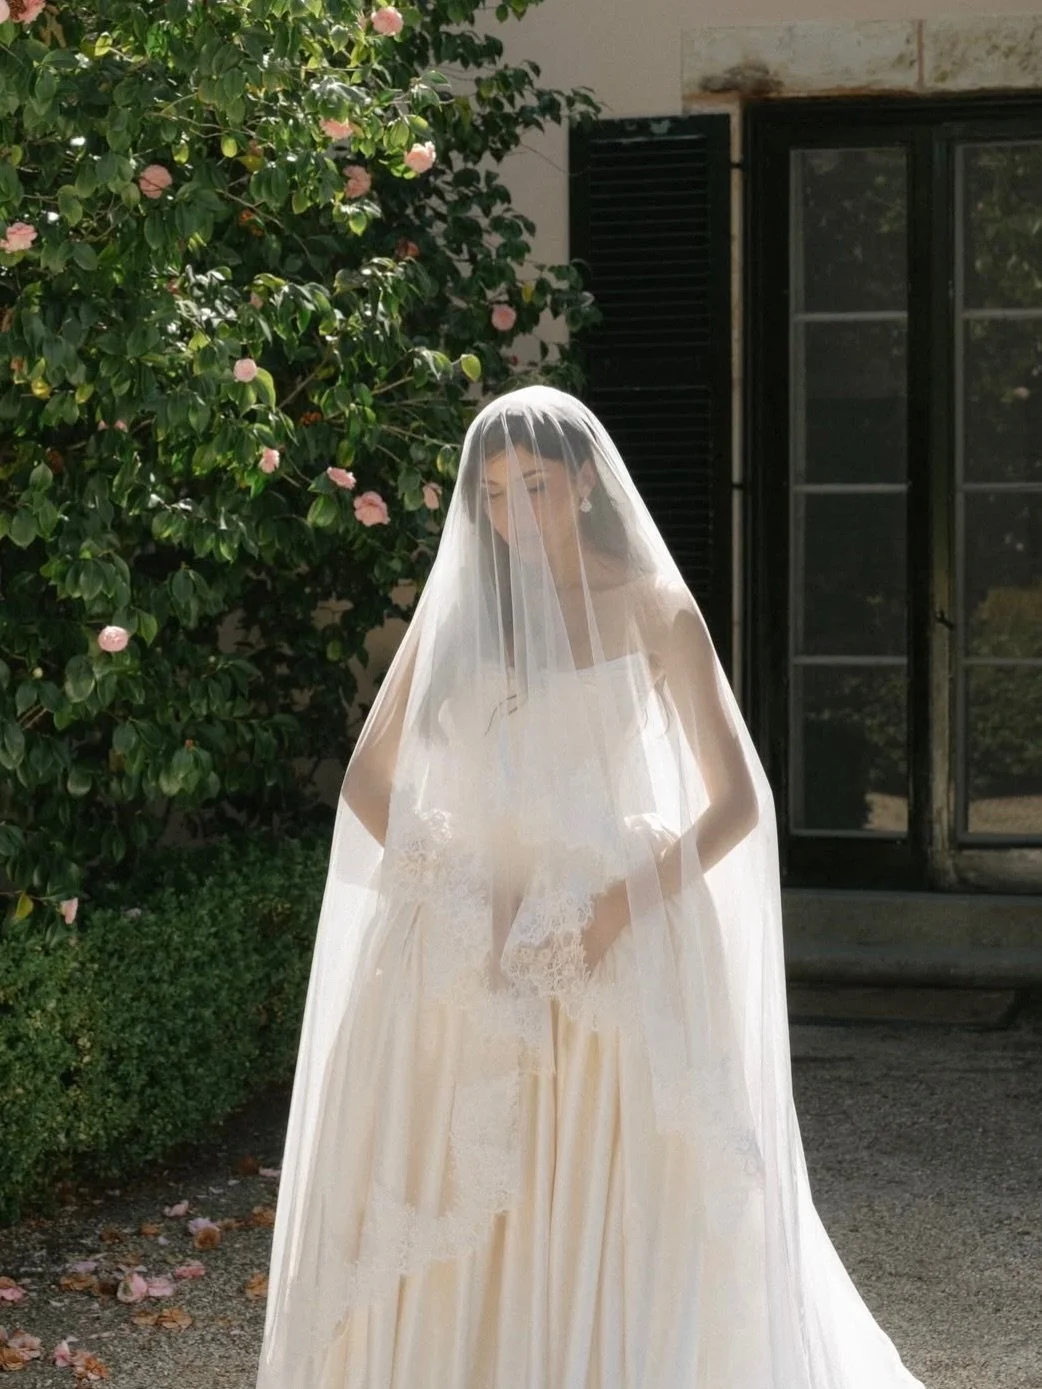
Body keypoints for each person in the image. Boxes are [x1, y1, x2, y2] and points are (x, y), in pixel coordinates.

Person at [254, 384, 927, 1389]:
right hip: (469, 940)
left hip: (610, 942)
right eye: (492, 496)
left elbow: (737, 803)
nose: (513, 515)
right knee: (464, 1180)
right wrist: (457, 890)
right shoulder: (463, 618)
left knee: (606, 1180)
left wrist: (616, 909)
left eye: (533, 487)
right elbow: (367, 782)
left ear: (582, 484)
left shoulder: (656, 610)